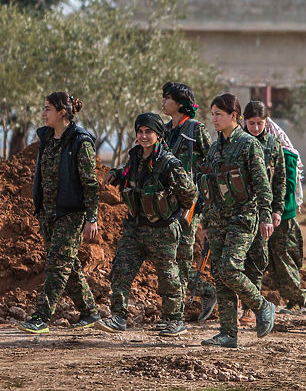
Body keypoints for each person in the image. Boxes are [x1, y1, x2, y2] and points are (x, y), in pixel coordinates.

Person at [96, 112, 196, 337]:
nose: (143, 136)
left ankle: (174, 320)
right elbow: (128, 174)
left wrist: (170, 209)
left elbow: (189, 193)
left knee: (168, 277)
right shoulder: (135, 158)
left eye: (148, 132)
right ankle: (118, 317)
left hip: (162, 230)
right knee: (121, 270)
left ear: (158, 135)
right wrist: (116, 174)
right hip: (135, 228)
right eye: (140, 132)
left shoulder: (169, 163)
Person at [197, 93, 276, 348]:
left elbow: (262, 185)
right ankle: (228, 333)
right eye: (212, 114)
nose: (214, 119)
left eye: (219, 114)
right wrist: (206, 223)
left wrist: (266, 216)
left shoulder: (248, 144)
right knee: (220, 276)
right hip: (217, 220)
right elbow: (209, 189)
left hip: (242, 216)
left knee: (230, 269)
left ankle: (261, 305)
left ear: (234, 116)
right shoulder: (214, 148)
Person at [19, 92, 100, 334]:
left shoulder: (80, 142)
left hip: (71, 214)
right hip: (48, 213)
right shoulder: (47, 138)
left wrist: (92, 217)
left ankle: (41, 317)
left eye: (48, 109)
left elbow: (90, 183)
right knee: (68, 263)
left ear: (62, 112)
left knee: (56, 265)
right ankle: (90, 311)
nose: (43, 113)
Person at [161, 82, 217, 325]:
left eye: (167, 98)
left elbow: (211, 165)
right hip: (165, 204)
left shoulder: (195, 129)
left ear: (181, 104)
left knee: (182, 256)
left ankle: (178, 314)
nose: (163, 102)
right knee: (168, 258)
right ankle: (204, 291)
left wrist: (204, 201)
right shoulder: (164, 130)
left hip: (189, 206)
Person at [239, 101, 286, 326]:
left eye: (260, 123)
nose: (256, 128)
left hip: (262, 211)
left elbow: (280, 180)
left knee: (257, 260)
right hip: (239, 210)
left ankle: (249, 308)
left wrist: (276, 210)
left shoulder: (273, 145)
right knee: (236, 261)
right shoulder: (237, 142)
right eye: (251, 123)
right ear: (244, 122)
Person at [266, 119, 306, 315]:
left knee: (283, 258)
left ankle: (296, 299)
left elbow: (289, 185)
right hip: (262, 214)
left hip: (283, 216)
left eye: (259, 124)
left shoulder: (286, 154)